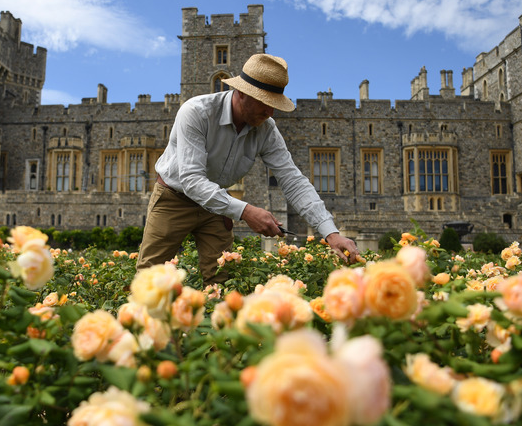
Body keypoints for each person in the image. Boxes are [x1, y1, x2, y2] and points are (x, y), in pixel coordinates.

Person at [136, 53, 360, 286]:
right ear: (242, 93)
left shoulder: (266, 129)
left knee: (221, 281)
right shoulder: (196, 112)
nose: (271, 113)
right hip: (174, 199)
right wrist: (246, 212)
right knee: (148, 279)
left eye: (275, 105)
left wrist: (331, 233)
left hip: (217, 204)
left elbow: (293, 180)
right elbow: (192, 180)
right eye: (265, 103)